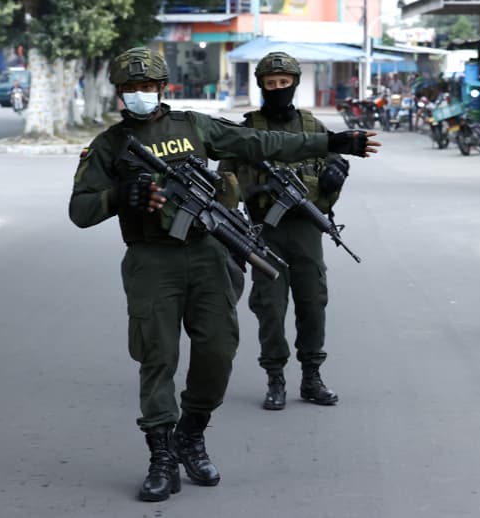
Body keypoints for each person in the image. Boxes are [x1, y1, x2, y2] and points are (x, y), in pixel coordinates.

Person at [68, 46, 378, 503]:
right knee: (158, 358)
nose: (139, 94)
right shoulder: (109, 146)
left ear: (162, 88)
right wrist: (120, 196)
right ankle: (160, 456)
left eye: (147, 86)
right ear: (119, 93)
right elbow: (80, 210)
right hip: (152, 261)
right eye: (130, 88)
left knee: (218, 353)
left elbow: (261, 143)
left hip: (208, 254)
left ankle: (190, 435)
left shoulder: (193, 126)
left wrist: (331, 142)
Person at [218, 52, 347, 411]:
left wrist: (339, 171)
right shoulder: (246, 129)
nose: (277, 89)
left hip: (306, 230)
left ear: (294, 84)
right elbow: (224, 177)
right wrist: (250, 192)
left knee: (312, 303)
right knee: (270, 308)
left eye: (283, 83)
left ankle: (311, 376)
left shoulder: (312, 127)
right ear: (261, 86)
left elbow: (334, 157)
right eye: (270, 84)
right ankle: (275, 377)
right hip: (263, 231)